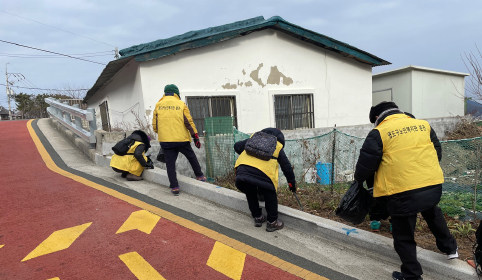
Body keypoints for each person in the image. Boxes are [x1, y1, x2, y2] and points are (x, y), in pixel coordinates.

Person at [354, 101, 458, 280]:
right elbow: (436, 152)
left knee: (403, 234)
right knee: (432, 213)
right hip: (431, 184)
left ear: (378, 117)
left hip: (401, 191)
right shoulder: (422, 125)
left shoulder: (378, 132)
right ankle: (451, 248)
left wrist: (358, 181)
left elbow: (366, 166)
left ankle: (412, 275)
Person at [234, 128, 296, 232]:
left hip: (243, 169)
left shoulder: (253, 138)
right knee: (269, 192)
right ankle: (272, 222)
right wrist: (292, 183)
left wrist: (251, 151)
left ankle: (258, 217)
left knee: (250, 191)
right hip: (265, 173)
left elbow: (237, 146)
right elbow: (287, 167)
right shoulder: (277, 145)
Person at [152, 84, 206, 196]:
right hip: (181, 139)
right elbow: (188, 122)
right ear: (176, 93)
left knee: (170, 164)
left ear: (165, 93)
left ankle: (175, 187)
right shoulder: (181, 104)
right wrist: (195, 136)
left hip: (166, 141)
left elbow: (155, 125)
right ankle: (200, 176)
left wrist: (162, 133)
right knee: (191, 157)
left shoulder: (158, 105)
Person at [367, 112, 414, 233]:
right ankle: (394, 224)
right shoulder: (406, 136)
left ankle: (375, 222)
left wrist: (365, 177)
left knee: (377, 196)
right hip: (398, 174)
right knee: (397, 199)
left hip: (379, 172)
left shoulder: (379, 133)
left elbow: (370, 157)